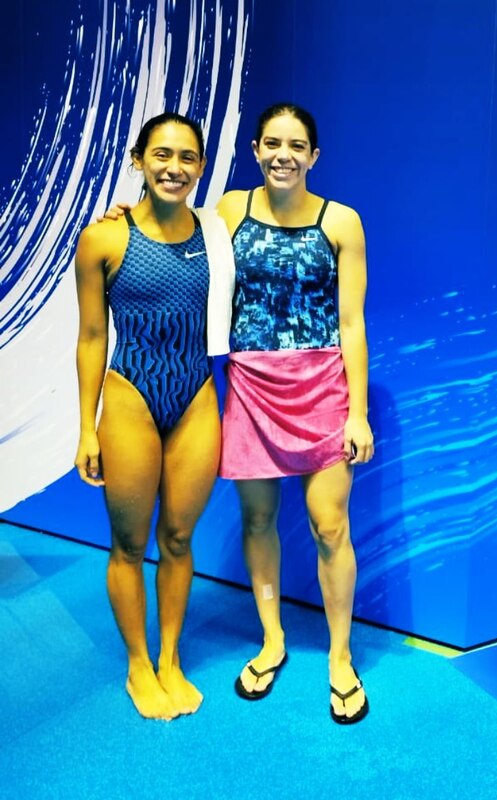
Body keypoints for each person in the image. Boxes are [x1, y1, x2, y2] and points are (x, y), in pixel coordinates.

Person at [216, 103, 374, 724]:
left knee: (329, 525)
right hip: (251, 383)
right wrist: (125, 215)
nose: (284, 154)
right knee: (258, 520)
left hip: (322, 389)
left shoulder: (343, 222)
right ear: (255, 149)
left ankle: (340, 656)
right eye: (273, 143)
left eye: (297, 145)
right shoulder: (230, 210)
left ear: (314, 156)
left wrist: (357, 413)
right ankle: (273, 640)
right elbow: (168, 230)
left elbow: (353, 324)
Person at [74, 112, 234, 720]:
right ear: (138, 160)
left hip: (195, 397)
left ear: (200, 167)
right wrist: (85, 426)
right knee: (129, 543)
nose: (175, 168)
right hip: (130, 395)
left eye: (188, 157)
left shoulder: (216, 233)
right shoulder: (105, 239)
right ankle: (138, 665)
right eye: (161, 155)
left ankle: (170, 657)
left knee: (177, 538)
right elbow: (91, 336)